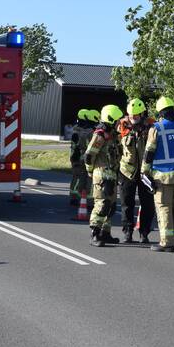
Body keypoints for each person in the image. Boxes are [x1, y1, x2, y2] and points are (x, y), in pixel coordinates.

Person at [142, 96, 174, 253]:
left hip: (162, 176)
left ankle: (166, 242)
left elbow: (149, 153)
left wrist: (144, 172)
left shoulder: (157, 128)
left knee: (164, 208)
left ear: (160, 113)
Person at [84, 105, 124, 247]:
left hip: (112, 175)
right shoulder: (100, 135)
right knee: (102, 204)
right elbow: (89, 156)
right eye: (117, 120)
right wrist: (91, 171)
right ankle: (94, 234)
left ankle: (105, 233)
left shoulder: (113, 135)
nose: (119, 122)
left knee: (111, 206)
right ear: (111, 119)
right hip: (101, 175)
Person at [118, 98, 155, 243]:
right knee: (127, 203)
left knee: (148, 204)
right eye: (131, 115)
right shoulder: (121, 125)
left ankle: (144, 233)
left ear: (142, 114)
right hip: (127, 171)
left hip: (146, 173)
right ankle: (127, 232)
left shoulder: (152, 125)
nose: (134, 118)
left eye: (137, 116)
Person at [68, 109, 95, 206]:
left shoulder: (77, 130)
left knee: (79, 177)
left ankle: (76, 196)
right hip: (79, 157)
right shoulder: (83, 132)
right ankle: (77, 197)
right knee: (81, 177)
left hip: (76, 157)